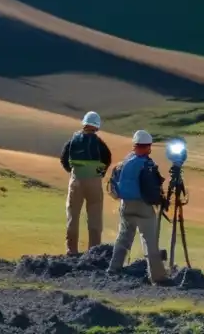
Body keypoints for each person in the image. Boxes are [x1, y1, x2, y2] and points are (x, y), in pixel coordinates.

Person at [107, 130, 168, 284]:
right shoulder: (148, 164)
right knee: (149, 241)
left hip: (125, 205)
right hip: (143, 207)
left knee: (123, 237)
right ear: (149, 147)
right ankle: (157, 277)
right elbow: (153, 189)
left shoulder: (125, 161)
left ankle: (114, 268)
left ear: (134, 146)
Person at [60, 110, 113, 256]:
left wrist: (73, 172)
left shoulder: (73, 141)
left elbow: (64, 159)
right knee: (95, 216)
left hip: (76, 181)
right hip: (94, 182)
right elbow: (108, 159)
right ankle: (94, 251)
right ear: (96, 126)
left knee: (73, 215)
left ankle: (71, 251)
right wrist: (99, 173)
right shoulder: (99, 143)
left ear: (84, 123)